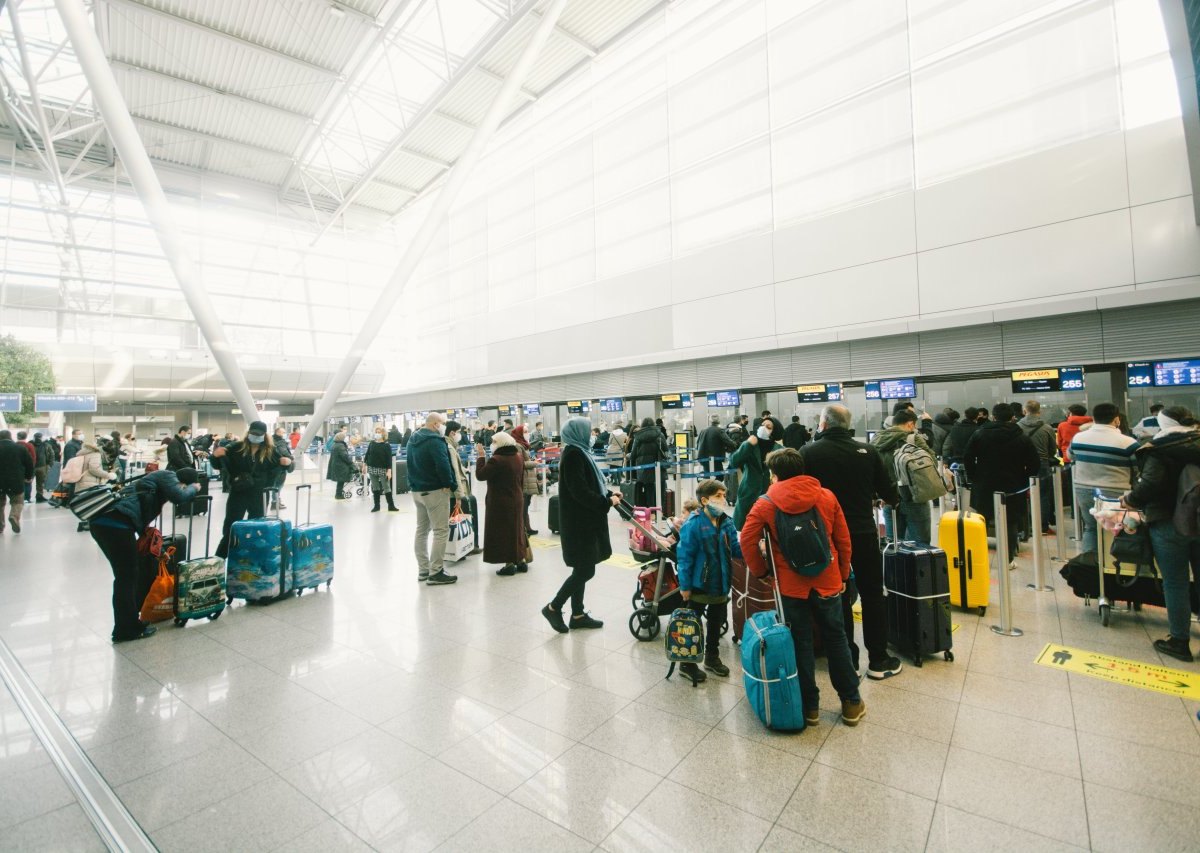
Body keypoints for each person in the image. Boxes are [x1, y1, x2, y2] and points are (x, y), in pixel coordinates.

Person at [740, 448, 865, 727]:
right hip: (828, 580)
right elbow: (843, 539)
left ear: (774, 474)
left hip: (790, 585)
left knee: (801, 643)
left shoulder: (765, 503)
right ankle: (851, 702)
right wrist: (843, 574)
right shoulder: (826, 495)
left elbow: (747, 541)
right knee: (837, 639)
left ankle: (810, 708)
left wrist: (762, 573)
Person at [802, 404, 902, 679]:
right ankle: (879, 660)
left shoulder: (809, 452)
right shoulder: (867, 451)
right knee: (872, 594)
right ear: (848, 425)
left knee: (838, 595)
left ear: (823, 423)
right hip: (862, 531)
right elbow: (889, 492)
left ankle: (849, 661)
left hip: (826, 536)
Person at [1121, 406, 1200, 662]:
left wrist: (1130, 500)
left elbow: (1150, 485)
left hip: (1168, 520)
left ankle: (1180, 640)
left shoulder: (1158, 448)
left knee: (1175, 582)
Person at [89, 468, 201, 643]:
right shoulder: (167, 475)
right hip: (114, 526)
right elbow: (179, 496)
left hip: (109, 525)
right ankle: (126, 629)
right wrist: (195, 487)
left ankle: (129, 624)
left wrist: (159, 550)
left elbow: (140, 519)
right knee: (126, 577)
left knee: (127, 576)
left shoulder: (153, 487)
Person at [542, 416, 619, 632]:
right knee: (585, 570)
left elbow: (590, 483)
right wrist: (605, 502)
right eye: (588, 431)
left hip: (582, 521)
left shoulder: (579, 452)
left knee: (583, 567)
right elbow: (580, 491)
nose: (592, 436)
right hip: (580, 523)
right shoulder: (574, 454)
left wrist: (610, 494)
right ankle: (553, 607)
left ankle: (577, 614)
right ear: (579, 433)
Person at [675, 479, 742, 682]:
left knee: (715, 623)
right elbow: (685, 557)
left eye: (723, 495)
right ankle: (687, 664)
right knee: (692, 625)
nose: (723, 500)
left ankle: (712, 658)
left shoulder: (726, 521)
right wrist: (685, 586)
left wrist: (756, 548)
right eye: (718, 496)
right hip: (699, 585)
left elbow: (736, 549)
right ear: (704, 500)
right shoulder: (693, 524)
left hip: (721, 583)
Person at [963, 403, 1041, 564]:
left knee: (981, 519)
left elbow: (968, 458)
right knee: (1010, 522)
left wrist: (973, 477)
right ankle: (1008, 559)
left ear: (993, 416)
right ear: (1013, 417)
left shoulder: (980, 434)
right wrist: (1024, 479)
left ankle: (979, 557)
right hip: (1013, 486)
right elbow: (1034, 463)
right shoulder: (1021, 436)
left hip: (984, 483)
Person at [211, 421, 293, 559]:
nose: (255, 436)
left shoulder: (271, 451)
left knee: (256, 527)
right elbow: (217, 463)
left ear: (264, 435)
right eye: (253, 433)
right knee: (231, 525)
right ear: (248, 433)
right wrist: (215, 456)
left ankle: (251, 557)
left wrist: (289, 462)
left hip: (259, 494)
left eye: (259, 434)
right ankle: (220, 558)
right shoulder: (236, 447)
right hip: (239, 492)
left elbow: (288, 465)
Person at [1070, 402, 1139, 554]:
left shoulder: (1078, 438)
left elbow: (1071, 456)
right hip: (1116, 490)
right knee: (1118, 527)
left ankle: (1090, 566)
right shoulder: (1128, 443)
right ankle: (1114, 567)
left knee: (1090, 528)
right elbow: (1137, 468)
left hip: (1084, 488)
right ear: (1116, 420)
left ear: (1093, 418)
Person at [408, 412, 458, 585]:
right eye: (443, 423)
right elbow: (443, 464)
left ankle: (423, 569)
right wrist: (450, 484)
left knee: (421, 530)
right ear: (436, 424)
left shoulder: (413, 439)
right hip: (435, 491)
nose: (444, 426)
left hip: (417, 491)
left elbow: (409, 464)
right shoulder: (436, 441)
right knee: (440, 531)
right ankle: (436, 572)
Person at [872, 410, 934, 543]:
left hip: (888, 500)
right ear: (910, 424)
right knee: (919, 545)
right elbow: (931, 461)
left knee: (894, 545)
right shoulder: (913, 439)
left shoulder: (876, 440)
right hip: (914, 497)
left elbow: (872, 471)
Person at [475, 431, 529, 576]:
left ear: (500, 443)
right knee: (517, 529)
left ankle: (509, 563)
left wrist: (480, 456)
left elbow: (480, 475)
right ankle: (521, 560)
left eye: (494, 442)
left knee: (504, 532)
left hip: (500, 502)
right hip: (517, 498)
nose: (492, 445)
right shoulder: (517, 457)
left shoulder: (497, 459)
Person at [1018, 400, 1060, 533]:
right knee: (1043, 495)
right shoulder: (1047, 428)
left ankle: (1026, 524)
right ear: (1039, 411)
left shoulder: (1018, 427)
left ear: (1025, 411)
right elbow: (1053, 450)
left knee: (1022, 493)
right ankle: (1042, 526)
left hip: (1022, 463)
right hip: (1042, 463)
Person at [728, 417, 776, 530]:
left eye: (769, 427)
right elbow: (734, 461)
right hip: (749, 490)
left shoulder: (777, 448)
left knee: (767, 528)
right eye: (762, 425)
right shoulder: (750, 444)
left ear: (773, 431)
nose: (764, 428)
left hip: (769, 493)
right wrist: (747, 445)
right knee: (746, 528)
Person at [445, 421, 481, 554]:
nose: (460, 435)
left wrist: (463, 468)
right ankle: (467, 547)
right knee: (462, 519)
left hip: (454, 490)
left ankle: (466, 547)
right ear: (452, 433)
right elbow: (454, 472)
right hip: (457, 491)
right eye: (459, 432)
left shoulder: (450, 446)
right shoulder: (449, 447)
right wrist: (459, 495)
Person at [73, 439, 116, 532]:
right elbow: (94, 469)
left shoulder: (81, 454)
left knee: (87, 504)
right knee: (94, 504)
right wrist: (108, 475)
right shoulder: (95, 454)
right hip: (91, 482)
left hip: (81, 482)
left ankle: (86, 524)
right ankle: (89, 525)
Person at [628, 417, 669, 508]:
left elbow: (633, 454)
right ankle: (660, 511)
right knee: (661, 488)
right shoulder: (660, 434)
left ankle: (652, 512)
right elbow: (666, 450)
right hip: (659, 465)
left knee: (649, 489)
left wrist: (628, 456)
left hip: (644, 468)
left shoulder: (638, 437)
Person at [0, 430, 34, 534]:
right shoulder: (20, 448)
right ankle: (14, 516)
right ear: (10, 437)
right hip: (16, 480)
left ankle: (0, 525)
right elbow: (29, 463)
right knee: (17, 501)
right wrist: (29, 476)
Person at [511, 425, 539, 535]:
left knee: (526, 505)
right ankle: (523, 529)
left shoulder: (523, 445)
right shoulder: (518, 446)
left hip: (528, 478)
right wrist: (534, 463)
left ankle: (527, 527)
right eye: (525, 431)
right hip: (524, 479)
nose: (527, 433)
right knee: (523, 506)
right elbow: (519, 463)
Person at [365, 428, 398, 513]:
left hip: (383, 469)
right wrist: (364, 465)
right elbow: (367, 454)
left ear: (383, 434)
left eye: (379, 432)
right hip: (372, 468)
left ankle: (391, 505)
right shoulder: (371, 443)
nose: (377, 433)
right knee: (375, 487)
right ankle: (376, 506)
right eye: (376, 432)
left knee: (386, 487)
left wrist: (389, 470)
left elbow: (388, 459)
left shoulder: (386, 445)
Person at [697, 414, 736, 480]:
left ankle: (707, 486)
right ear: (719, 421)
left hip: (704, 458)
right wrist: (735, 443)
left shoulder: (703, 430)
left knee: (708, 476)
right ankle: (712, 488)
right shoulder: (719, 430)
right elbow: (729, 442)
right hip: (715, 459)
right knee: (720, 477)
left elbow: (698, 443)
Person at [325, 431, 356, 500]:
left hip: (337, 465)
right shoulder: (340, 446)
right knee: (341, 481)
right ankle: (338, 495)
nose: (345, 439)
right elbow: (345, 457)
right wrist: (352, 464)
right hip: (341, 466)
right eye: (344, 437)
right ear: (341, 438)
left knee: (340, 481)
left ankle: (338, 494)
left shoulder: (335, 445)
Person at [271, 426, 292, 510]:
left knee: (276, 484)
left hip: (274, 465)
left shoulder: (271, 440)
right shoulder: (280, 441)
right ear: (278, 432)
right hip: (281, 466)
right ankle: (275, 503)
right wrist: (291, 458)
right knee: (279, 485)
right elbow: (284, 452)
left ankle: (275, 502)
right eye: (283, 432)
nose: (284, 434)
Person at [31, 433, 52, 503]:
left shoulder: (46, 445)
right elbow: (52, 454)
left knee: (38, 482)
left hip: (38, 466)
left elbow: (52, 455)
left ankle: (37, 496)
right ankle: (35, 496)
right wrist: (49, 465)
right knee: (38, 482)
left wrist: (49, 464)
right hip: (38, 466)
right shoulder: (46, 445)